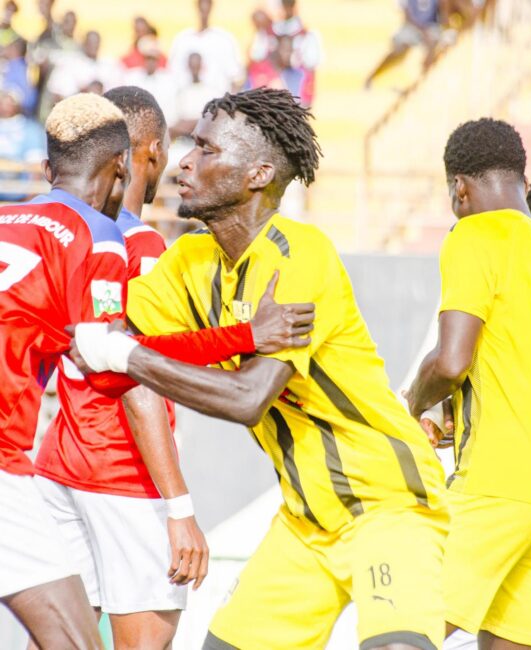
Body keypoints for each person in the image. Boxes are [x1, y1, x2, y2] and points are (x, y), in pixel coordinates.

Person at [71, 87, 448, 650]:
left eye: (207, 149)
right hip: (304, 520)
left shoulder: (300, 253)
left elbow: (248, 397)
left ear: (258, 174)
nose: (184, 163)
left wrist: (124, 354)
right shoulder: (190, 261)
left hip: (388, 505)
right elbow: (100, 343)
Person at [32, 85, 316, 650]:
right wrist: (179, 506)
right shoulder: (139, 246)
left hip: (58, 466)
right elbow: (137, 379)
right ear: (153, 152)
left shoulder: (67, 234)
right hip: (127, 478)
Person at [405, 118, 531, 649]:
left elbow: (450, 362)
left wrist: (413, 403)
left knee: (402, 625)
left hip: (498, 479)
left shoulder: (473, 235)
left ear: (459, 189)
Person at [0, 91, 131, 650]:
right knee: (77, 643)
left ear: (47, 168)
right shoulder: (98, 235)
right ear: (121, 168)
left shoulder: (4, 215)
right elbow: (105, 362)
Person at [169, 0, 243, 96]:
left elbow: (236, 76)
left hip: (218, 98)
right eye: (202, 6)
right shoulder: (182, 39)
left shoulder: (224, 40)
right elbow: (173, 73)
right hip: (187, 98)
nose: (204, 10)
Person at [365, 0, 441, 87]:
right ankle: (372, 76)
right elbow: (407, 17)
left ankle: (420, 82)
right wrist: (423, 31)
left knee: (433, 47)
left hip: (431, 28)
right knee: (399, 51)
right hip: (410, 27)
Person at [0, 85, 45, 200]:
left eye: (10, 101)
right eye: (3, 100)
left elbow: (36, 163)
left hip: (19, 194)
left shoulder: (30, 129)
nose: (6, 104)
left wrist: (30, 198)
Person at [124, 37, 177, 126]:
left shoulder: (168, 79)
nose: (150, 62)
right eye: (148, 59)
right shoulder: (132, 77)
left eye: (153, 59)